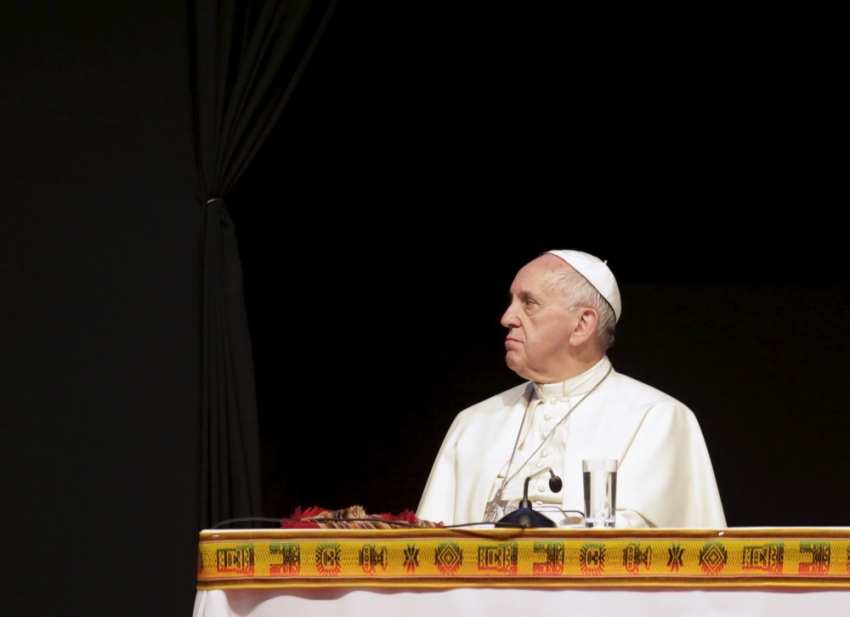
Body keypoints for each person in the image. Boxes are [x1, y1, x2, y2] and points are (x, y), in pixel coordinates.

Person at [416, 250, 726, 528]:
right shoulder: (473, 422)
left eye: (529, 303)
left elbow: (642, 545)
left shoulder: (657, 418)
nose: (507, 318)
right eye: (511, 302)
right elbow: (426, 546)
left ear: (581, 325)